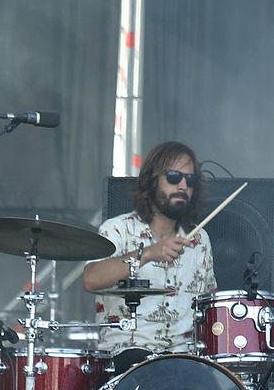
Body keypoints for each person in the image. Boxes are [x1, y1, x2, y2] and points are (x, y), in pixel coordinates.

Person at [84, 141, 217, 358]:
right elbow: (91, 279)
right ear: (152, 181)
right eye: (174, 177)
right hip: (126, 355)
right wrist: (147, 253)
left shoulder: (200, 240)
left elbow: (209, 306)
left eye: (190, 180)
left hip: (184, 358)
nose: (183, 186)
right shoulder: (118, 229)